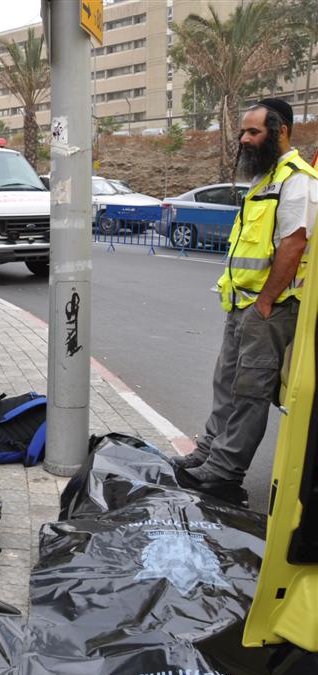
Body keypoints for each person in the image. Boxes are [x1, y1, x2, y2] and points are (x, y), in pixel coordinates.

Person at [175, 98, 318, 504]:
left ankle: (223, 473)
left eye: (253, 132)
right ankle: (208, 452)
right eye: (243, 131)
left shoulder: (298, 180)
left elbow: (293, 245)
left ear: (281, 132)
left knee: (249, 392)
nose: (244, 139)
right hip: (242, 303)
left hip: (269, 308)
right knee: (226, 384)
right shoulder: (264, 178)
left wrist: (266, 302)